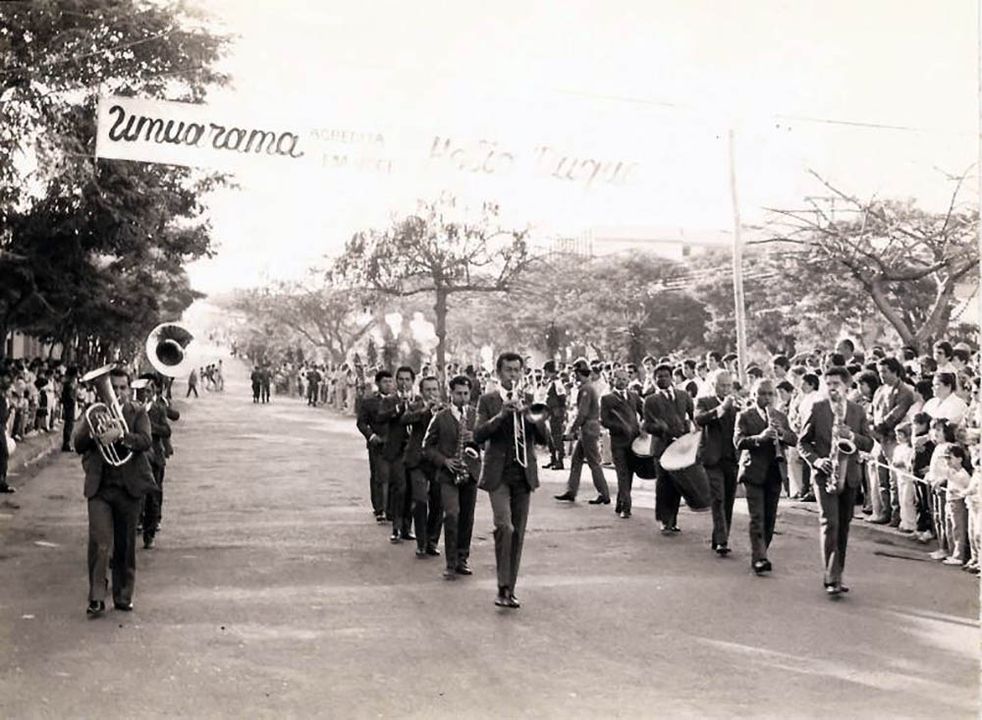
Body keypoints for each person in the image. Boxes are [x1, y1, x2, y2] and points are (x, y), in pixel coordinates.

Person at [73, 367, 156, 617]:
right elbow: (78, 445)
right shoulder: (94, 413)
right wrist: (92, 433)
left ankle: (123, 595)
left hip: (129, 489)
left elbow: (145, 441)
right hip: (100, 488)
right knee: (99, 543)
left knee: (125, 545)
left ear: (129, 390)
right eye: (114, 387)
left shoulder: (137, 412)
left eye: (122, 388)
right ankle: (96, 597)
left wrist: (121, 435)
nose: (117, 393)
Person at [474, 352, 549, 609]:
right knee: (504, 527)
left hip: (523, 474)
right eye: (508, 370)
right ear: (498, 373)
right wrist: (501, 415)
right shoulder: (487, 400)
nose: (513, 375)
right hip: (498, 474)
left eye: (517, 370)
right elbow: (478, 434)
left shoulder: (529, 399)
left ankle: (510, 589)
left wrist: (528, 414)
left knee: (518, 533)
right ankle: (502, 585)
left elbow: (544, 439)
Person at [798, 366, 874, 597]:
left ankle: (837, 573)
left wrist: (851, 436)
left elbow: (869, 443)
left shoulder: (857, 411)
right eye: (828, 384)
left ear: (847, 386)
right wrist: (817, 461)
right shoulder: (818, 408)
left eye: (836, 384)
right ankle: (832, 577)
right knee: (830, 523)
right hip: (825, 475)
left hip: (849, 476)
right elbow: (803, 443)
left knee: (843, 526)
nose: (832, 388)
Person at [734, 379, 797, 574]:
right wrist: (760, 438)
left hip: (774, 473)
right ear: (754, 396)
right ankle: (759, 558)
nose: (767, 398)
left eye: (770, 394)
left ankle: (763, 551)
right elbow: (738, 441)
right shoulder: (744, 415)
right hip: (753, 472)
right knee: (757, 517)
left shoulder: (780, 416)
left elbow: (794, 439)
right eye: (762, 394)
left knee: (769, 518)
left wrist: (782, 434)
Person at [423, 375, 481, 580]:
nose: (463, 398)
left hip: (470, 472)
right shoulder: (440, 417)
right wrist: (444, 461)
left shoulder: (476, 416)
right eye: (458, 394)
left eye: (466, 394)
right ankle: (450, 562)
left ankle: (462, 559)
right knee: (452, 514)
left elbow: (487, 441)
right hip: (448, 475)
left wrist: (476, 438)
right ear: (451, 393)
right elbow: (427, 446)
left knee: (467, 517)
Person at [642, 362, 697, 535]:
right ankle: (665, 520)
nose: (663, 379)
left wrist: (692, 433)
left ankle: (673, 520)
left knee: (677, 483)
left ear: (672, 377)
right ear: (654, 379)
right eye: (659, 377)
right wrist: (659, 428)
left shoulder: (683, 396)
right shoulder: (650, 400)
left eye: (666, 376)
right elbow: (647, 425)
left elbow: (693, 416)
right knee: (663, 483)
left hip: (680, 446)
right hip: (661, 447)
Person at [694, 370, 739, 556]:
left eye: (729, 385)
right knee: (718, 498)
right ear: (714, 385)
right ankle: (722, 541)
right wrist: (721, 409)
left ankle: (720, 536)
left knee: (728, 500)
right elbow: (699, 419)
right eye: (723, 385)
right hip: (712, 458)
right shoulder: (704, 401)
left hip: (731, 458)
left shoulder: (736, 403)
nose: (726, 389)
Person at [555, 360, 610, 505]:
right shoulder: (589, 387)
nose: (574, 376)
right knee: (576, 460)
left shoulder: (586, 389)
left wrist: (572, 430)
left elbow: (582, 413)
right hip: (589, 428)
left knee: (593, 462)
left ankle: (604, 493)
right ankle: (571, 491)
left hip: (588, 428)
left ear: (579, 373)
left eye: (576, 373)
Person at [401, 375, 443, 558]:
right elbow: (404, 420)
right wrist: (425, 410)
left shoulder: (445, 409)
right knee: (420, 500)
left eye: (434, 389)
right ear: (421, 391)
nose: (432, 393)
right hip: (417, 460)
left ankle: (432, 541)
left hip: (437, 460)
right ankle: (421, 541)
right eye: (428, 390)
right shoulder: (415, 406)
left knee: (438, 502)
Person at [138, 374, 180, 549]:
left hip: (155, 457)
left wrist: (148, 427)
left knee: (153, 497)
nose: (145, 395)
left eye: (148, 391)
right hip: (138, 457)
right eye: (143, 392)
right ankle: (139, 521)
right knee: (137, 494)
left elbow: (167, 430)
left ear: (154, 391)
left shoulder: (159, 408)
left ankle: (150, 532)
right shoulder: (134, 409)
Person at [599, 367, 644, 518]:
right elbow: (604, 420)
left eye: (625, 379)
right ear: (613, 380)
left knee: (629, 474)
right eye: (619, 379)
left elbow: (644, 412)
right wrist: (620, 427)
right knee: (622, 474)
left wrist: (643, 425)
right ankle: (626, 508)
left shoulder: (634, 396)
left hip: (634, 442)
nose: (622, 382)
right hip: (618, 442)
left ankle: (620, 502)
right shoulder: (607, 399)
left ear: (629, 380)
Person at [541, 360, 568, 470]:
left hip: (555, 413)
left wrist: (560, 411)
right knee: (550, 438)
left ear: (548, 371)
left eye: (545, 371)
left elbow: (562, 397)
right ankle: (553, 459)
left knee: (556, 437)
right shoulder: (550, 382)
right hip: (550, 412)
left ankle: (559, 460)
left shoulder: (557, 382)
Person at [60, 367, 78, 452]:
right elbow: (70, 396)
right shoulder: (69, 384)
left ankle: (67, 443)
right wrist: (73, 400)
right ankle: (66, 444)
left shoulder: (69, 383)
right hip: (69, 406)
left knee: (70, 425)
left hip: (69, 405)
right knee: (69, 425)